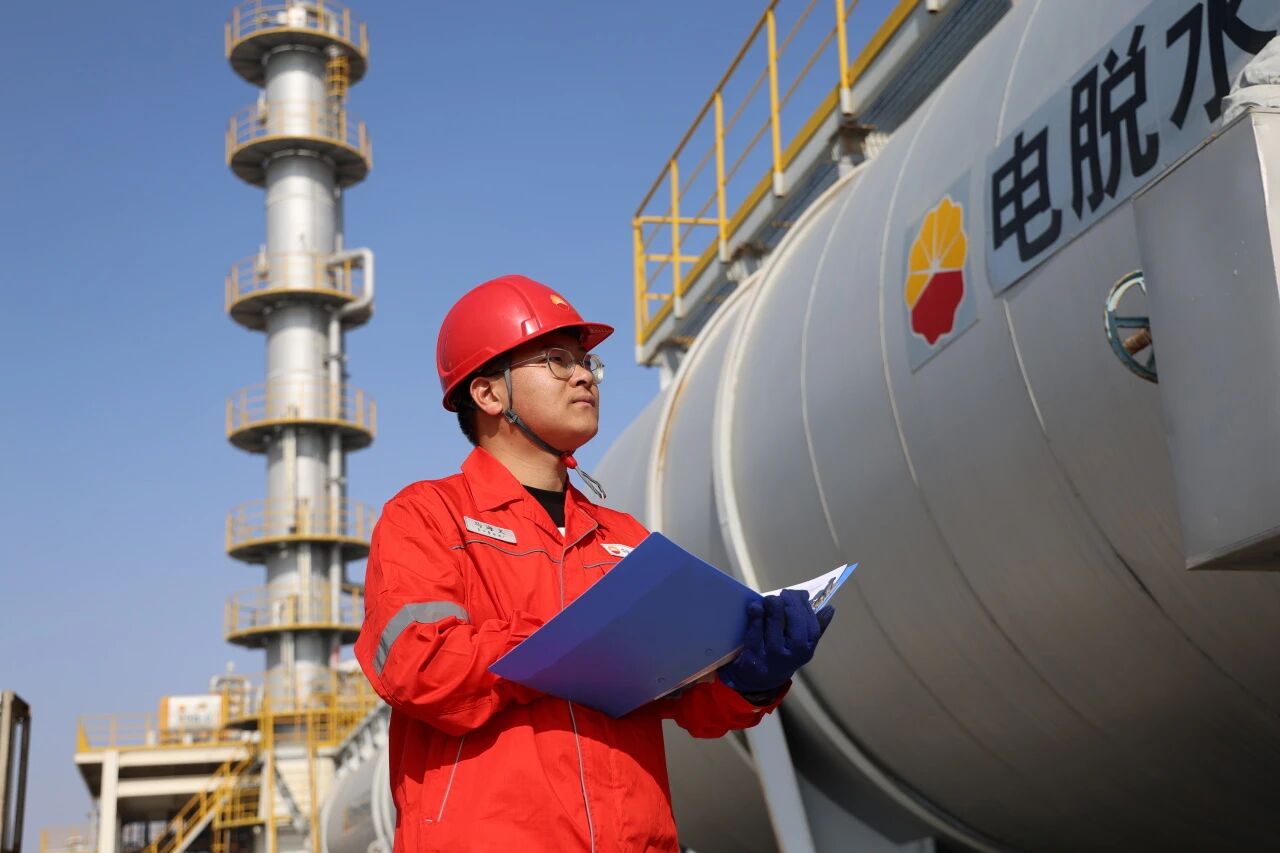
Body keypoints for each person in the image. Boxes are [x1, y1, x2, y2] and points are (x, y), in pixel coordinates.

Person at [355, 274, 835, 852]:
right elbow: (418, 667)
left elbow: (684, 700)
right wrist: (566, 643)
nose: (584, 375)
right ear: (488, 394)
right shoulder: (426, 517)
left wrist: (752, 678)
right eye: (557, 361)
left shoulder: (623, 538)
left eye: (586, 362)